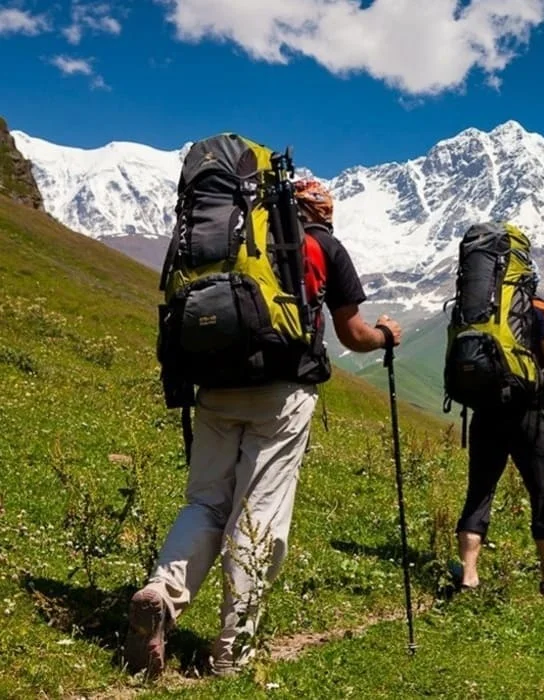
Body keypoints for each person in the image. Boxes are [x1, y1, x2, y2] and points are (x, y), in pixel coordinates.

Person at [125, 179, 402, 678]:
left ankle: (159, 595)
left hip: (214, 387)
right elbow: (352, 333)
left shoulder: (230, 243)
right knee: (259, 515)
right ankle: (232, 648)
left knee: (205, 502)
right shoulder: (321, 245)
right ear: (324, 212)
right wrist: (385, 335)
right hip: (281, 392)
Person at [454, 263, 544, 598]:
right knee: (542, 493)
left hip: (485, 410)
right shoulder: (542, 311)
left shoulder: (479, 312)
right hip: (527, 411)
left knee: (479, 491)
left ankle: (469, 576)